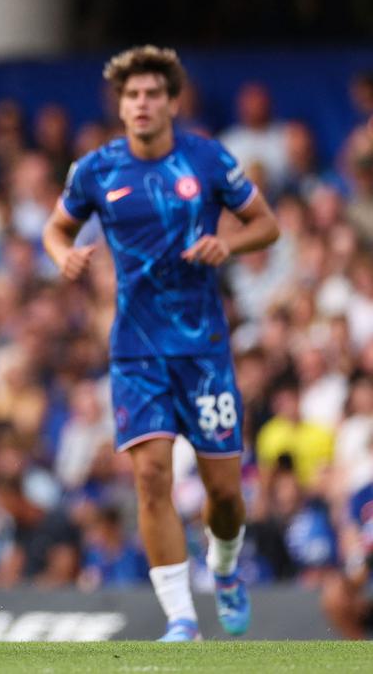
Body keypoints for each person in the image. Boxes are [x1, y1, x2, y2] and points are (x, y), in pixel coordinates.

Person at [42, 45, 280, 642]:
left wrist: (230, 244)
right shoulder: (97, 169)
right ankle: (181, 617)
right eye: (132, 95)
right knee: (151, 477)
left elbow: (266, 224)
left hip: (203, 352)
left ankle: (223, 569)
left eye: (153, 93)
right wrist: (62, 256)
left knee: (224, 494)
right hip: (136, 350)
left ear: (173, 102)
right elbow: (55, 228)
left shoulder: (207, 159)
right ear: (119, 106)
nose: (142, 103)